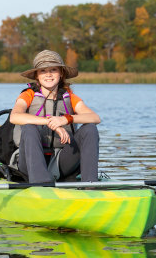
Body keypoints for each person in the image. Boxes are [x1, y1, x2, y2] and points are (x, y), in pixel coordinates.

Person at [10, 50, 101, 183]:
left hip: (61, 162)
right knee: (29, 128)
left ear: (61, 73)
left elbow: (95, 118)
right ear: (37, 76)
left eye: (53, 70)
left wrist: (66, 119)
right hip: (29, 163)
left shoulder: (70, 97)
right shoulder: (28, 95)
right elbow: (14, 117)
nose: (48, 75)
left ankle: (90, 185)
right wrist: (49, 122)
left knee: (90, 129)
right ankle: (41, 185)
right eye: (43, 71)